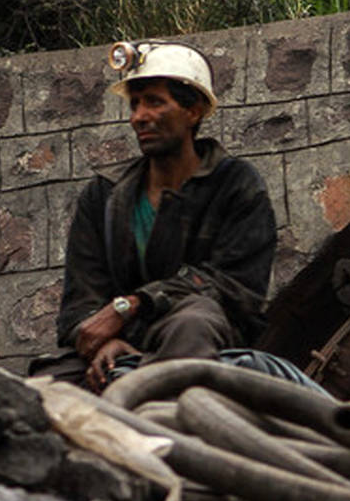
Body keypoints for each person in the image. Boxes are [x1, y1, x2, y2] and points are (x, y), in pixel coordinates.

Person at [53, 40, 276, 391]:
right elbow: (80, 301)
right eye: (135, 104)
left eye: (155, 102)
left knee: (193, 322)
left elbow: (234, 287)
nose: (138, 116)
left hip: (201, 333)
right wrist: (103, 341)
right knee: (41, 389)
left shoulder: (235, 185)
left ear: (193, 112)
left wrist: (134, 304)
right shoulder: (104, 195)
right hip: (124, 337)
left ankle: (166, 415)